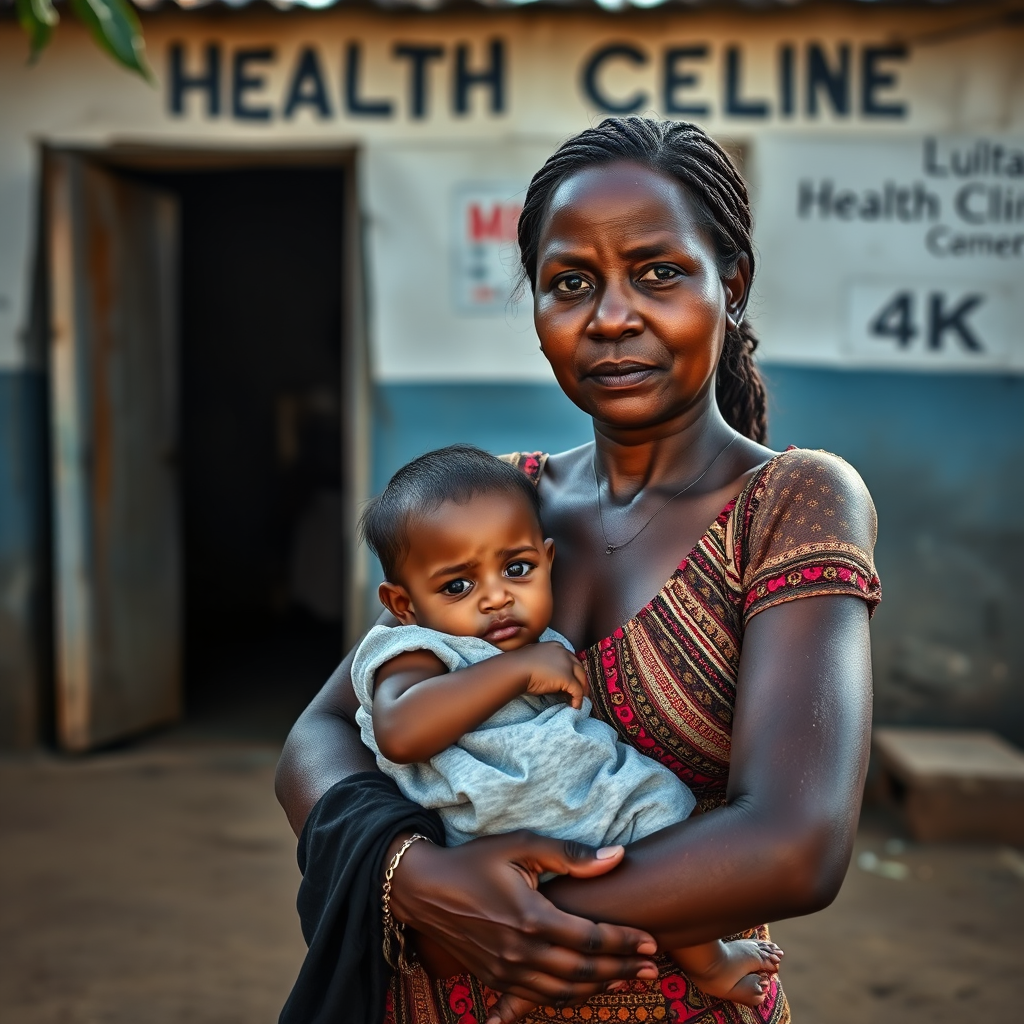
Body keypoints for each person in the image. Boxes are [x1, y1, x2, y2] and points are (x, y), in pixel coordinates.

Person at [276, 116, 880, 1024]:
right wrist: (411, 876)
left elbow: (796, 841)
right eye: (570, 284)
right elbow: (321, 737)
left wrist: (486, 919)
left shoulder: (790, 504)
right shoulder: (498, 509)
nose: (610, 317)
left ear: (733, 285)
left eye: (659, 272)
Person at [350, 444, 783, 1010]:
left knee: (657, 835)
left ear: (548, 559)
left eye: (517, 568)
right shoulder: (417, 647)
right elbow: (400, 730)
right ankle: (714, 964)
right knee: (659, 817)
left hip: (573, 812)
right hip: (493, 828)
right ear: (401, 604)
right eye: (458, 586)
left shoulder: (534, 639)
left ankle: (546, 986)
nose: (497, 596)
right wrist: (517, 671)